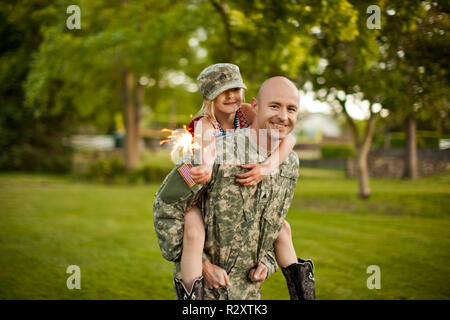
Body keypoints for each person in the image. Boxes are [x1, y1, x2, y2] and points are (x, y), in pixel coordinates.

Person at [153, 76, 315, 300]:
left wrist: (268, 262)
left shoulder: (289, 163)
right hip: (204, 294)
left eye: (291, 109)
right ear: (255, 107)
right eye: (275, 106)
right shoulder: (213, 151)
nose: (283, 116)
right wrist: (202, 264)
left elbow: (273, 223)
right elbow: (166, 203)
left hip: (249, 294)